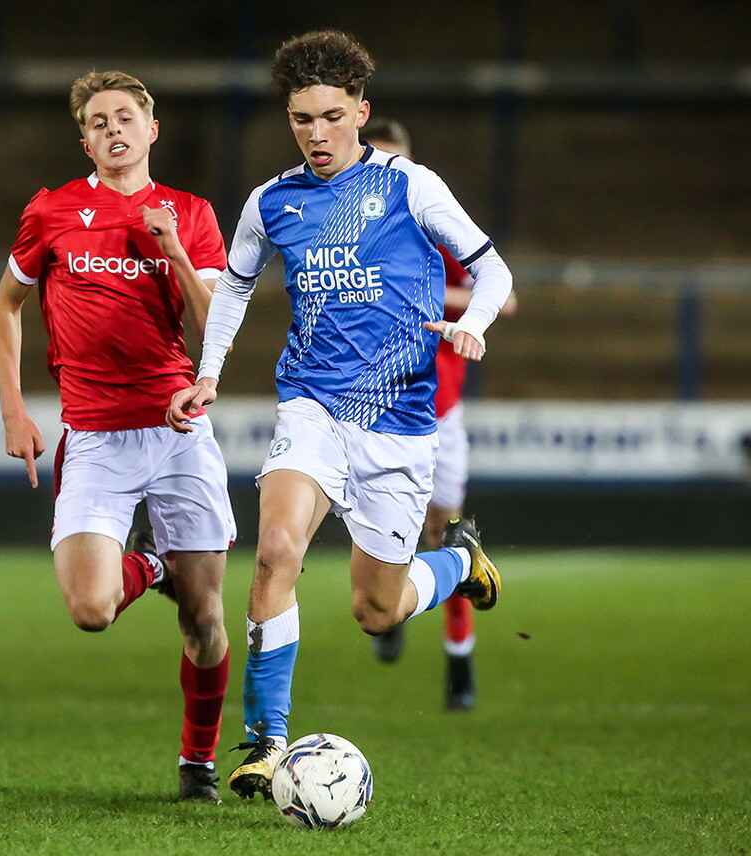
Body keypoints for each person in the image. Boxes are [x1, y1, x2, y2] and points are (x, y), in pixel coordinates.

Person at [168, 30, 513, 801]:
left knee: (377, 611)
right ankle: (265, 741)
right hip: (313, 405)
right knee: (276, 550)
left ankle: (460, 563)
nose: (316, 135)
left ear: (361, 111)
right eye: (300, 119)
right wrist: (210, 373)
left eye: (330, 116)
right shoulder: (272, 201)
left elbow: (493, 270)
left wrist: (474, 323)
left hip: (399, 423)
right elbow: (231, 288)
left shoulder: (410, 186)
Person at [0, 70, 236, 803]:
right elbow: (6, 305)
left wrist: (176, 252)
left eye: (124, 117)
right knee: (91, 610)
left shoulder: (189, 213)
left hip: (178, 432)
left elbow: (211, 323)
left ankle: (197, 762)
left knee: (207, 619)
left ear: (151, 129)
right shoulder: (53, 211)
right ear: (85, 139)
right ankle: (152, 567)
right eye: (97, 122)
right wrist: (13, 409)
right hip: (95, 437)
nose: (112, 130)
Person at [365, 119, 518, 711]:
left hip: (439, 409)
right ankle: (389, 605)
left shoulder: (433, 228)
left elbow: (504, 297)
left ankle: (459, 662)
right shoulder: (342, 239)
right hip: (371, 407)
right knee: (381, 532)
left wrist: (420, 294)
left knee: (447, 533)